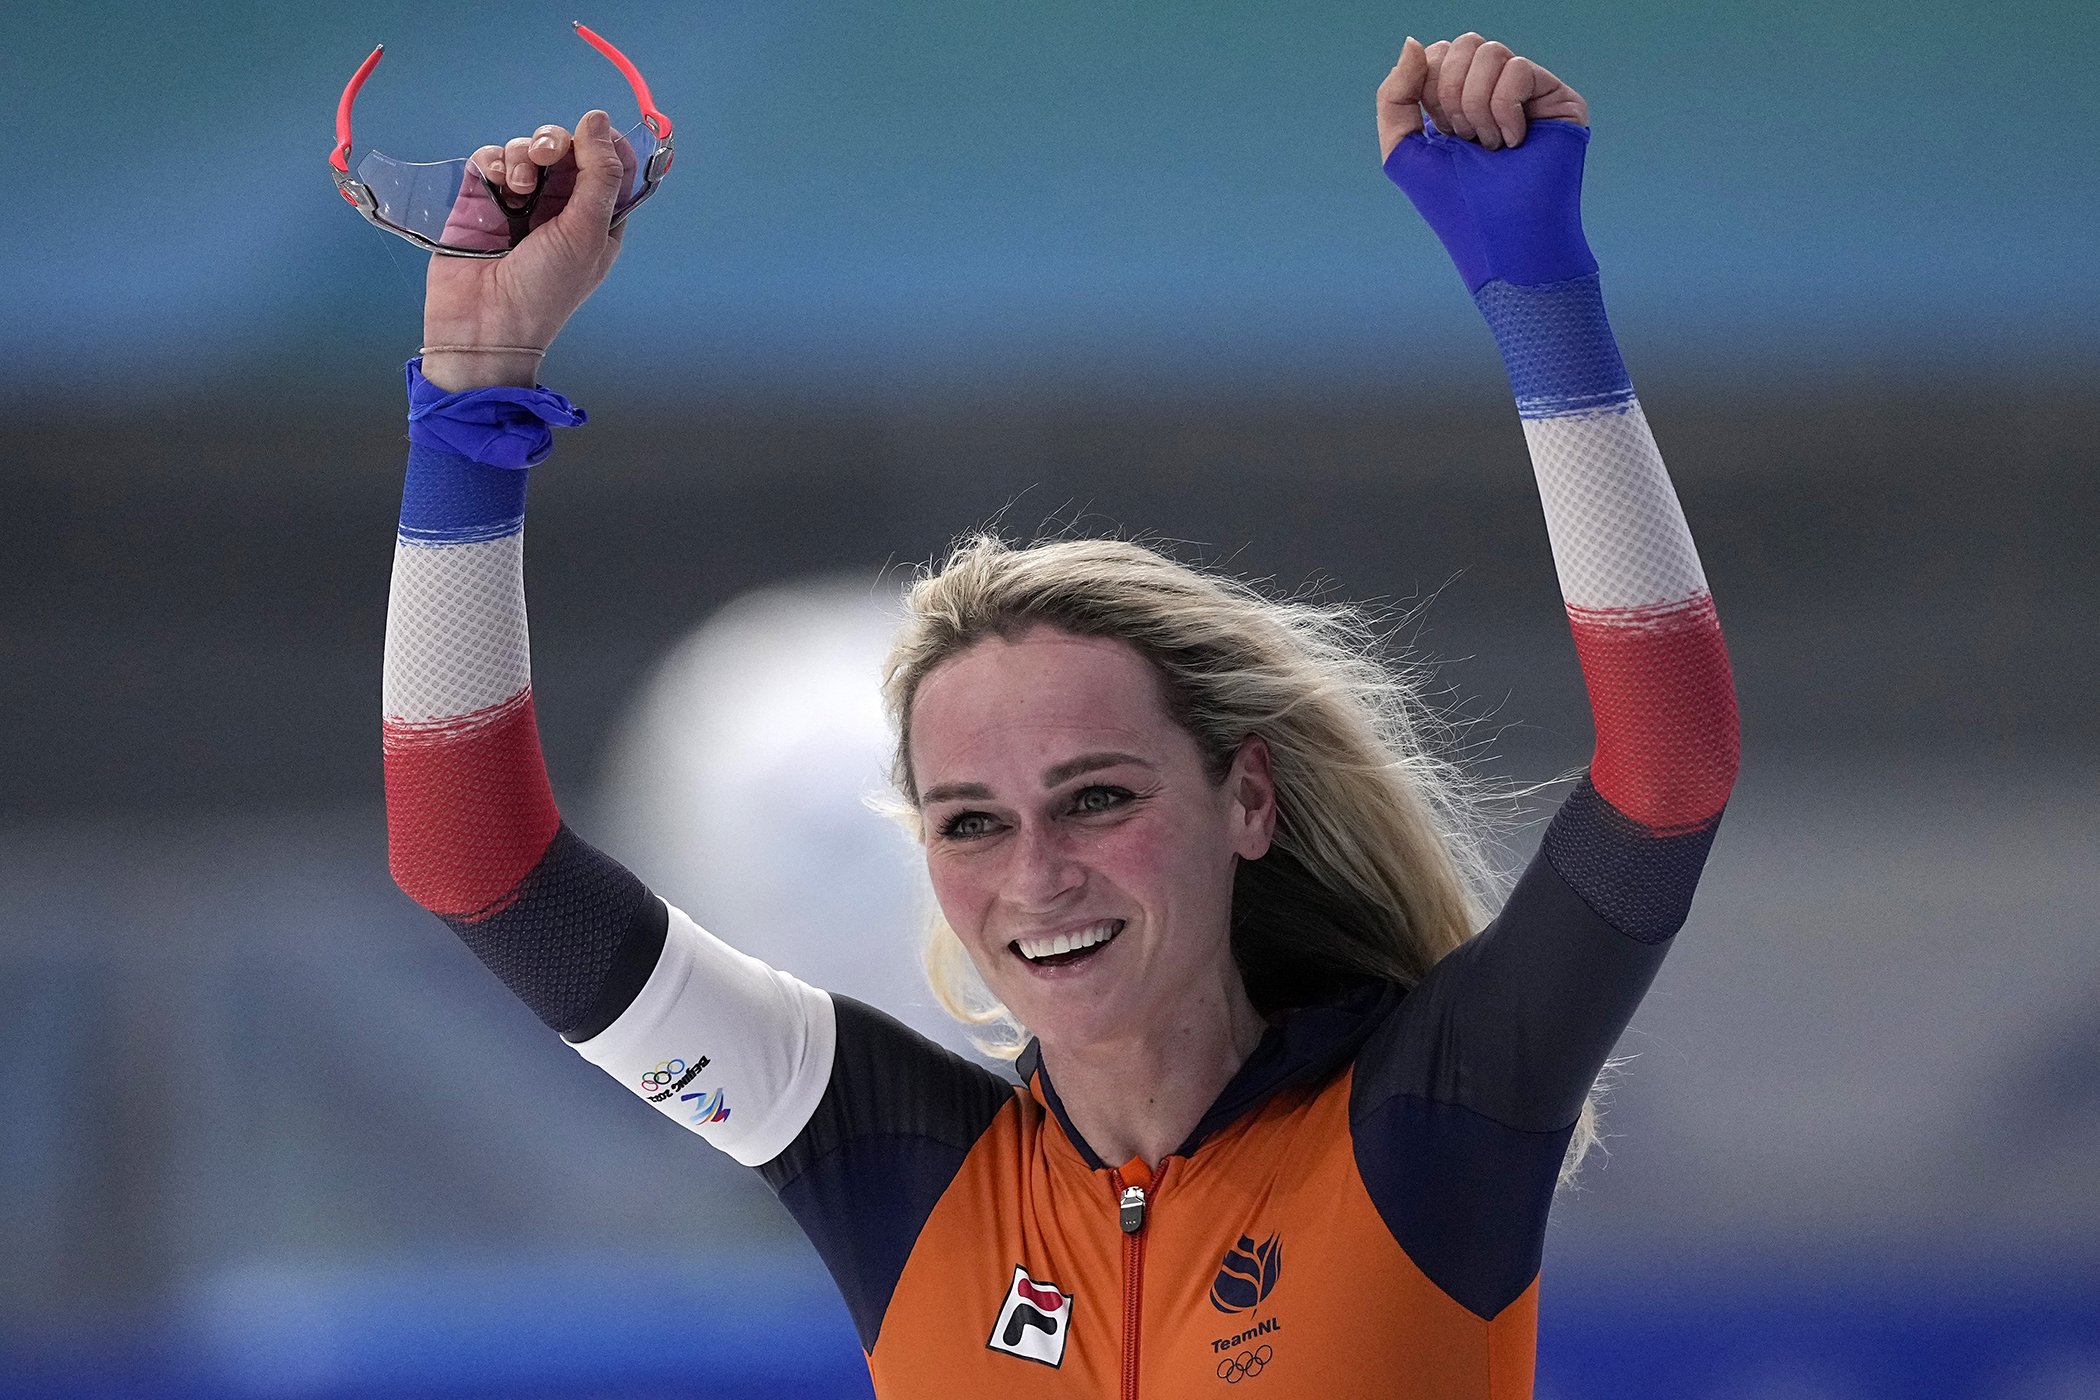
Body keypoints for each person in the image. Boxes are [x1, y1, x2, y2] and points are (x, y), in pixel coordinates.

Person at [379, 31, 1738, 1399]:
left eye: (1098, 796)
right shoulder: (884, 1156)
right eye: (970, 821)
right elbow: (475, 867)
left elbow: (1666, 775)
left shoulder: (1433, 1118)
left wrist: (1540, 288)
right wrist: (470, 400)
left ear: (1246, 800)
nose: (1037, 874)